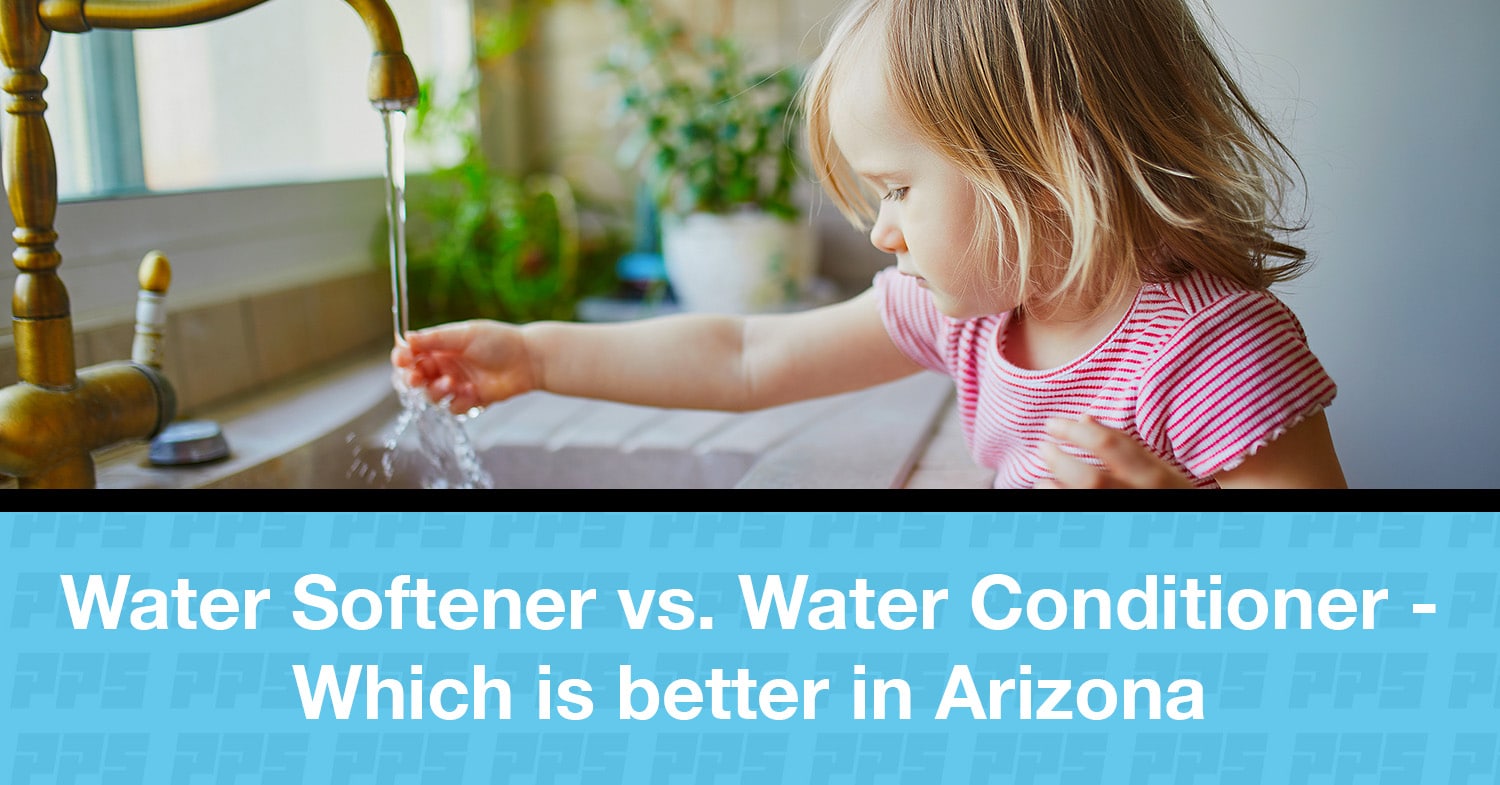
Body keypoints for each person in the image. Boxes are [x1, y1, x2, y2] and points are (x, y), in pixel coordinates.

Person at [392, 0, 1347, 489]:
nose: (881, 229)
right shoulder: (971, 315)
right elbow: (745, 355)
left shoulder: (1215, 354)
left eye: (896, 188)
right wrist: (538, 354)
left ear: (1044, 164)